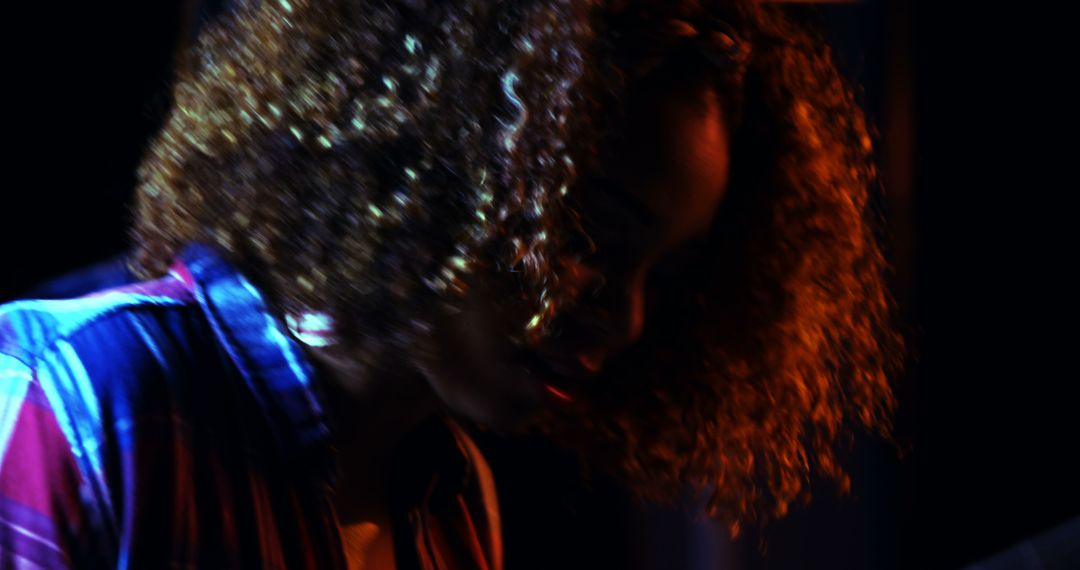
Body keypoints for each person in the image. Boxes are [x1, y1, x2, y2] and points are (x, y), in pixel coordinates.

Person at [0, 0, 907, 568]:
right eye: (589, 231)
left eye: (666, 279)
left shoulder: (451, 499)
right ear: (438, 149)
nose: (626, 319)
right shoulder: (81, 399)